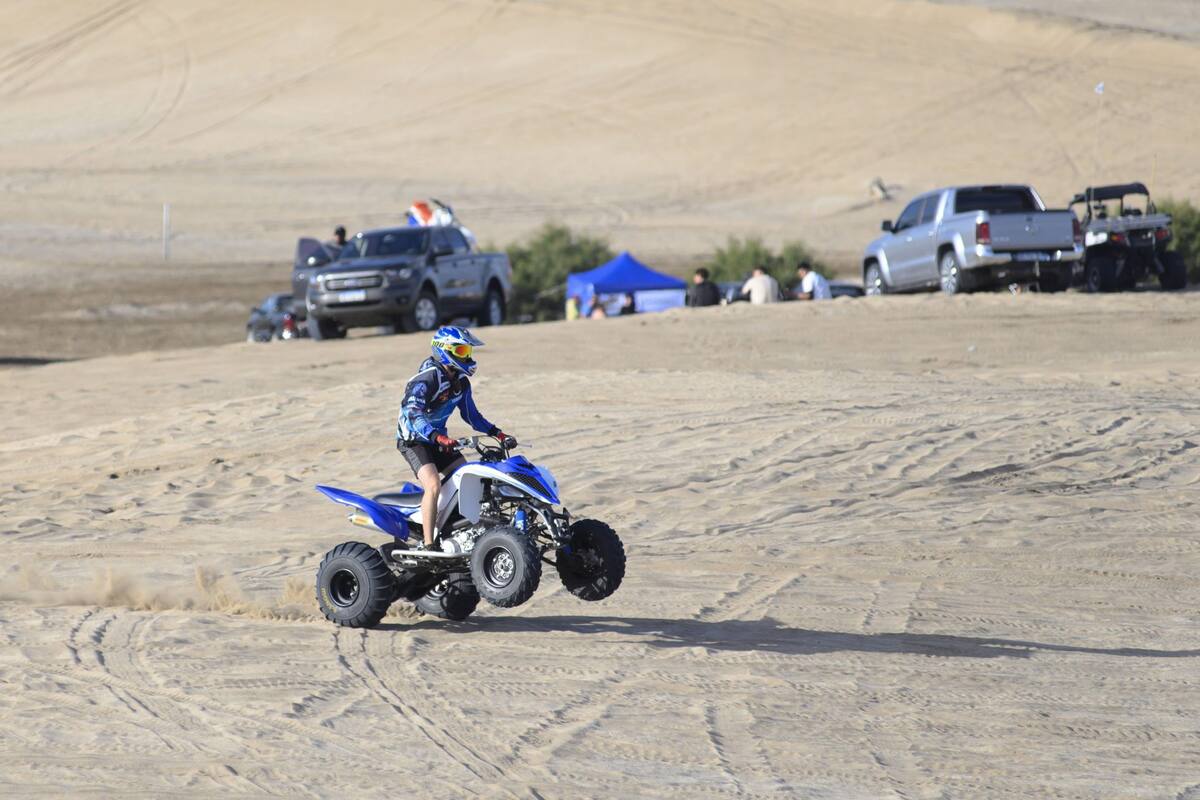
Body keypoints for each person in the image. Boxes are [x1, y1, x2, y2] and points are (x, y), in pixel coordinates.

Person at [396, 326, 515, 551]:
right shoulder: (427, 379)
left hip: (439, 440)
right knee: (433, 485)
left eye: (467, 352)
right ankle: (429, 544)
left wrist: (497, 433)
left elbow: (472, 416)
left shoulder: (461, 382)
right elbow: (412, 413)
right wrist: (436, 436)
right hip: (414, 440)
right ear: (444, 351)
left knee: (467, 476)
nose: (467, 356)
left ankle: (457, 528)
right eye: (461, 351)